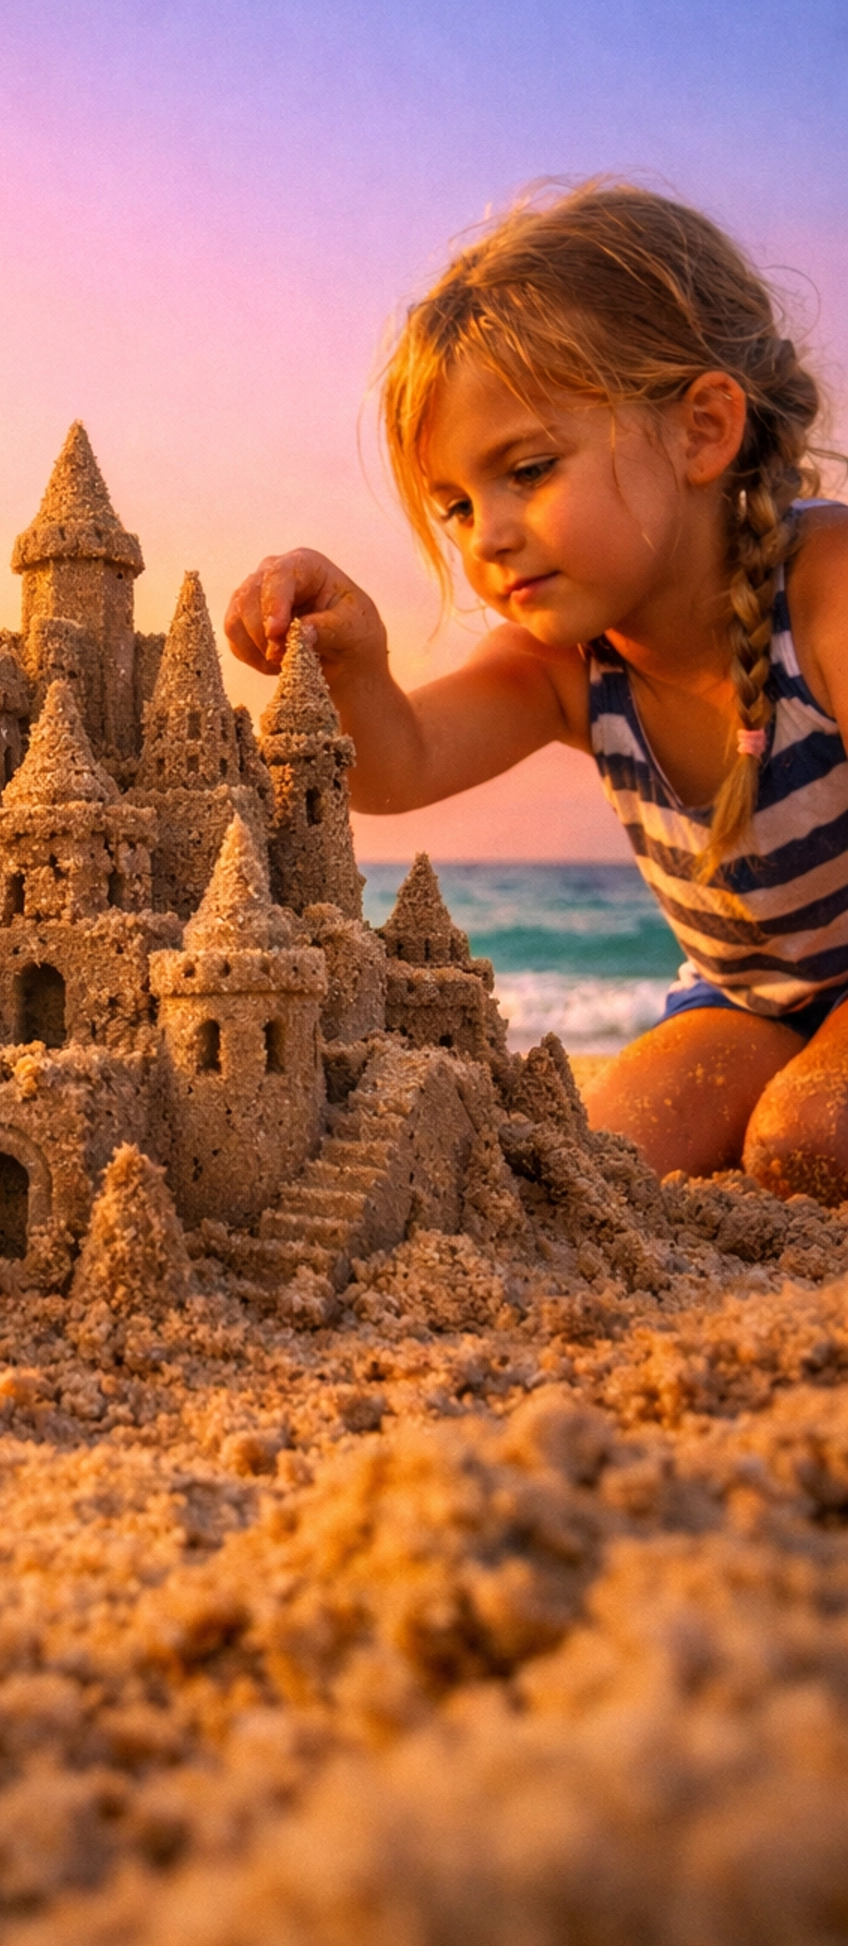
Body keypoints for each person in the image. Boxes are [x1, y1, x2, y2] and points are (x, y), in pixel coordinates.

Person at [227, 181, 848, 1202]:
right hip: (746, 998)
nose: (488, 537)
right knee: (585, 1163)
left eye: (528, 470)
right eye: (458, 507)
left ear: (701, 431)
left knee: (808, 1135)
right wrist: (355, 668)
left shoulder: (824, 593)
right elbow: (400, 764)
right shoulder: (569, 666)